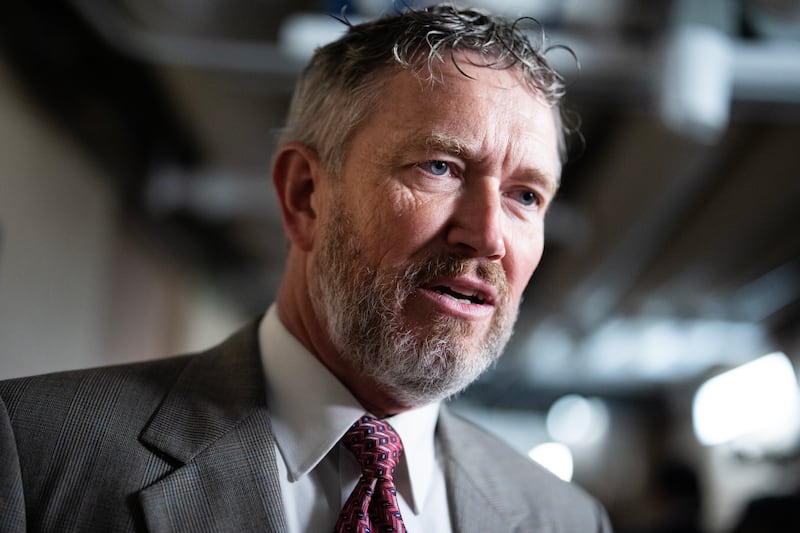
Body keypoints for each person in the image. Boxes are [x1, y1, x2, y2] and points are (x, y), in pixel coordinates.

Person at [0, 4, 612, 532]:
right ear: (305, 194)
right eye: (439, 167)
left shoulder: (567, 520)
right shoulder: (34, 453)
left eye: (525, 196)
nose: (487, 236)